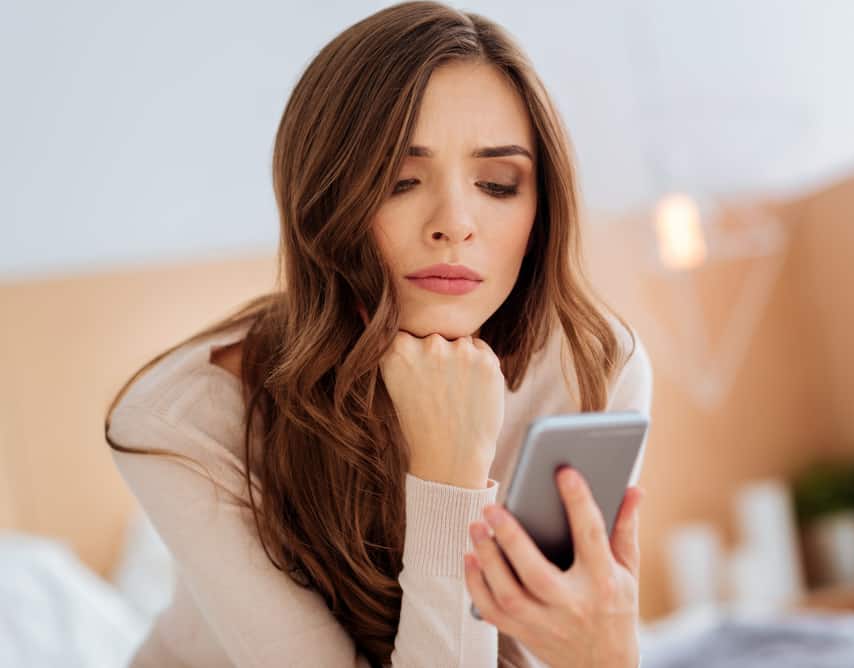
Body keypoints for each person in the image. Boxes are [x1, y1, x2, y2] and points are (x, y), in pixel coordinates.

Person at [104, 2, 653, 666]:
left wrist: (610, 655)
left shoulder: (593, 366)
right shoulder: (183, 422)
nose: (455, 222)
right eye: (399, 180)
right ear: (325, 201)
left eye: (497, 183)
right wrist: (448, 478)